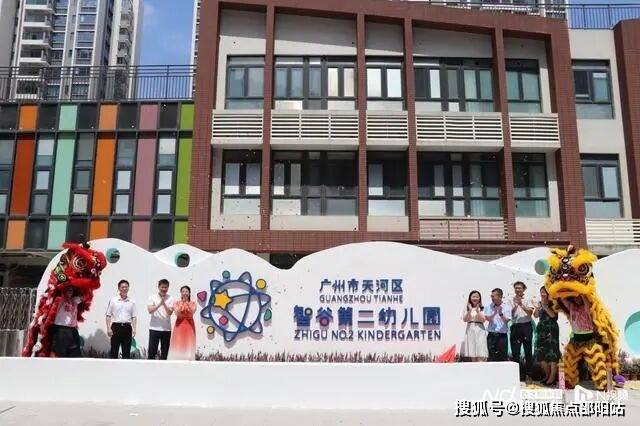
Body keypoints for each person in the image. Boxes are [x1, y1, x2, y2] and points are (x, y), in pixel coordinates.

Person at [534, 287, 561, 386]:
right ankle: (547, 375)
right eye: (541, 292)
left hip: (551, 329)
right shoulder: (539, 303)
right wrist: (538, 308)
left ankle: (552, 377)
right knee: (541, 353)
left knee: (552, 352)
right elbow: (536, 315)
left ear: (548, 293)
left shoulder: (553, 302)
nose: (542, 294)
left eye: (544, 292)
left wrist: (545, 307)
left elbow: (553, 316)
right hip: (541, 329)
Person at [510, 281, 535, 381]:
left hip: (526, 326)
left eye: (519, 288)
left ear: (524, 289)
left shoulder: (528, 299)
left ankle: (529, 375)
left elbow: (530, 313)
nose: (517, 289)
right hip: (515, 326)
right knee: (515, 353)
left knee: (528, 351)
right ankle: (516, 375)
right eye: (516, 288)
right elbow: (509, 314)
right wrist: (515, 305)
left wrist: (521, 304)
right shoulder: (510, 300)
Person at [105, 280, 137, 359]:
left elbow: (134, 316)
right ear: (119, 288)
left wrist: (134, 329)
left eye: (126, 287)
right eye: (122, 287)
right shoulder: (113, 300)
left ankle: (125, 366)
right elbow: (108, 315)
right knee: (114, 351)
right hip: (116, 327)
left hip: (127, 327)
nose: (124, 289)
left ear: (128, 288)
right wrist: (108, 328)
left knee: (126, 352)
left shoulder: (132, 301)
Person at [51, 286, 84, 358]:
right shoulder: (60, 300)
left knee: (75, 353)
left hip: (72, 330)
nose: (70, 291)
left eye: (71, 290)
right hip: (60, 329)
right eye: (68, 290)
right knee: (60, 353)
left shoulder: (74, 300)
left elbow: (83, 296)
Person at [168, 285, 197, 361]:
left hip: (189, 326)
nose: (185, 293)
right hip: (179, 325)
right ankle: (176, 360)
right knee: (178, 342)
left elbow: (192, 312)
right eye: (183, 291)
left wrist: (187, 303)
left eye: (186, 291)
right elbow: (177, 313)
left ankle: (189, 360)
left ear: (189, 293)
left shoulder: (193, 303)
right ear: (180, 293)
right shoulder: (176, 303)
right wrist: (181, 304)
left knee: (189, 343)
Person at [147, 279, 174, 360]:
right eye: (162, 287)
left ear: (168, 288)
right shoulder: (152, 297)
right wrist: (159, 304)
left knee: (164, 352)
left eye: (166, 287)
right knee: (152, 351)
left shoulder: (171, 298)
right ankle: (150, 367)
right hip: (154, 328)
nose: (164, 289)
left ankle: (164, 367)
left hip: (166, 329)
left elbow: (170, 312)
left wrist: (164, 304)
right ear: (159, 287)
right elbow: (150, 310)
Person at [484, 288, 512, 362]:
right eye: (491, 296)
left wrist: (500, 313)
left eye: (493, 296)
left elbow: (506, 321)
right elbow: (488, 319)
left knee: (502, 357)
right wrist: (494, 312)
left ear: (500, 296)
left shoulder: (507, 307)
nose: (492, 298)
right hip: (491, 335)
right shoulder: (488, 306)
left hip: (502, 336)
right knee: (492, 357)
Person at [461, 290, 488, 362]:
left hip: (480, 328)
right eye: (473, 296)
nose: (475, 298)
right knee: (472, 350)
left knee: (480, 349)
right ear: (470, 298)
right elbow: (465, 319)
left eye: (477, 297)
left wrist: (478, 311)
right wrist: (470, 311)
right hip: (470, 328)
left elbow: (483, 320)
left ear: (479, 298)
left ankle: (481, 363)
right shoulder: (467, 308)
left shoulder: (482, 308)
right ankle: (474, 363)